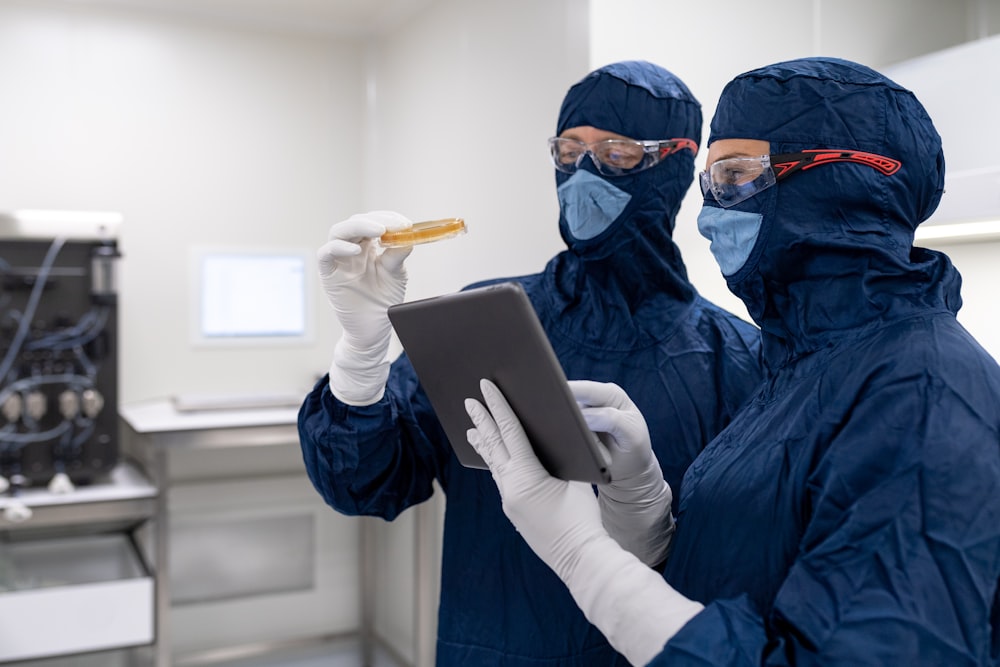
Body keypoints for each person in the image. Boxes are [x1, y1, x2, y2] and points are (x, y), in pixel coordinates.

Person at [464, 56, 1000, 666]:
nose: (709, 214)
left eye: (738, 176)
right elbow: (751, 575)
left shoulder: (925, 394)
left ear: (846, 181)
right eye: (711, 183)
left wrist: (582, 553)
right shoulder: (803, 368)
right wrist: (649, 520)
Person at [298, 60, 765, 666]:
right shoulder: (485, 322)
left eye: (617, 151)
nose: (583, 172)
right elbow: (364, 483)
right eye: (569, 150)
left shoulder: (738, 357)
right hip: (491, 643)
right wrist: (360, 363)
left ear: (675, 165)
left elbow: (740, 567)